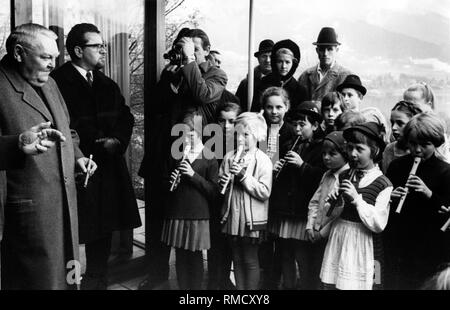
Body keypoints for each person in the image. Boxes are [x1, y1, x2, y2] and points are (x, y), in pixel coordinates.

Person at [0, 23, 96, 290]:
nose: (52, 65)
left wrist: (77, 156)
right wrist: (17, 143)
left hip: (65, 207)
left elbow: (66, 130)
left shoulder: (50, 83)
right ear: (19, 53)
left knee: (68, 277)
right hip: (29, 216)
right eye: (45, 57)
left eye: (55, 58)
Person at [51, 23, 141, 290]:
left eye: (103, 45)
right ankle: (69, 283)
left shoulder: (106, 83)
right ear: (78, 50)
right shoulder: (56, 82)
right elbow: (62, 124)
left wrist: (118, 141)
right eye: (97, 46)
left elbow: (125, 115)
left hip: (108, 167)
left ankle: (96, 281)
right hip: (74, 167)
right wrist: (94, 144)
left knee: (102, 229)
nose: (104, 50)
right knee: (72, 230)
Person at [138, 27, 227, 289]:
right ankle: (157, 276)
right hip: (164, 156)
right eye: (184, 48)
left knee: (193, 223)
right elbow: (153, 106)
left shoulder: (217, 74)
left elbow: (202, 95)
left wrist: (189, 62)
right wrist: (172, 80)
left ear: (206, 51)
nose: (187, 53)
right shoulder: (172, 73)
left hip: (197, 157)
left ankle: (200, 284)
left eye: (195, 49)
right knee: (158, 221)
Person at [320, 122, 393, 290]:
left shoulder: (384, 184)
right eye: (350, 148)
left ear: (374, 151)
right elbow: (331, 214)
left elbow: (378, 224)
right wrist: (335, 203)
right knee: (335, 283)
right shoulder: (345, 175)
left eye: (359, 149)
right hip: (341, 238)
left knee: (373, 284)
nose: (352, 154)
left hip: (367, 246)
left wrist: (357, 199)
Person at [386, 113, 450, 289]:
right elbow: (383, 198)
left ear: (436, 143)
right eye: (413, 144)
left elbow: (446, 209)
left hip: (429, 244)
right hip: (400, 240)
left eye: (425, 145)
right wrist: (390, 196)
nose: (418, 150)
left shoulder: (445, 171)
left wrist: (429, 193)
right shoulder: (397, 166)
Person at [269, 102, 326, 289]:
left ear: (315, 126)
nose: (297, 129)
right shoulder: (287, 145)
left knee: (302, 256)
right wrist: (277, 170)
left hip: (302, 212)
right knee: (285, 253)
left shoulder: (321, 148)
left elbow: (321, 179)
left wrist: (302, 165)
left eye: (303, 125)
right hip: (286, 210)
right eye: (295, 125)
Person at [162, 112, 218, 290]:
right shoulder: (177, 155)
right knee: (180, 256)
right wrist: (173, 181)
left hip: (198, 214)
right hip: (177, 211)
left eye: (191, 134)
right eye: (183, 134)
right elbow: (164, 185)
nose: (186, 138)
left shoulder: (209, 157)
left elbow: (214, 192)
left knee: (194, 257)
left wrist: (193, 175)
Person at [219, 112, 272, 290]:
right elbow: (221, 183)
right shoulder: (229, 157)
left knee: (249, 259)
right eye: (238, 134)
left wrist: (243, 176)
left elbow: (265, 191)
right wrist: (223, 181)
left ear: (258, 136)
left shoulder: (263, 160)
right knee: (237, 258)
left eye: (246, 135)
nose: (241, 139)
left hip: (250, 219)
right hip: (233, 216)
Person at [305, 131, 349, 287]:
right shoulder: (326, 175)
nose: (326, 157)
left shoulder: (347, 178)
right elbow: (315, 202)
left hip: (331, 236)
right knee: (315, 274)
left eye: (332, 154)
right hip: (316, 232)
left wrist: (322, 233)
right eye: (323, 154)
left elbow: (340, 213)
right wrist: (311, 226)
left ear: (345, 153)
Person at [207, 98, 241, 290]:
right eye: (222, 121)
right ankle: (214, 280)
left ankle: (225, 278)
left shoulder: (244, 142)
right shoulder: (212, 142)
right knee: (215, 242)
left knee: (230, 243)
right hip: (215, 198)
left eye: (232, 121)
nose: (227, 125)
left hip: (235, 200)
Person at [251, 39, 308, 113]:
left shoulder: (300, 91)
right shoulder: (263, 84)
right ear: (274, 62)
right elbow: (255, 112)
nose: (283, 66)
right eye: (280, 61)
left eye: (287, 62)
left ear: (293, 63)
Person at [298, 27, 352, 101]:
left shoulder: (346, 76)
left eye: (330, 49)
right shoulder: (305, 76)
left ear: (336, 50)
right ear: (317, 51)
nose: (325, 54)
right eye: (322, 49)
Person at [381, 101, 422, 173]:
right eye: (392, 123)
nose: (393, 127)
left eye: (400, 123)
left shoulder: (423, 150)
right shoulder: (389, 149)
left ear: (413, 123)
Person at [236, 39, 274, 112]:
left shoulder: (281, 82)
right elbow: (237, 108)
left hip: (274, 123)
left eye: (271, 56)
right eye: (264, 56)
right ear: (258, 58)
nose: (268, 60)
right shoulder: (246, 83)